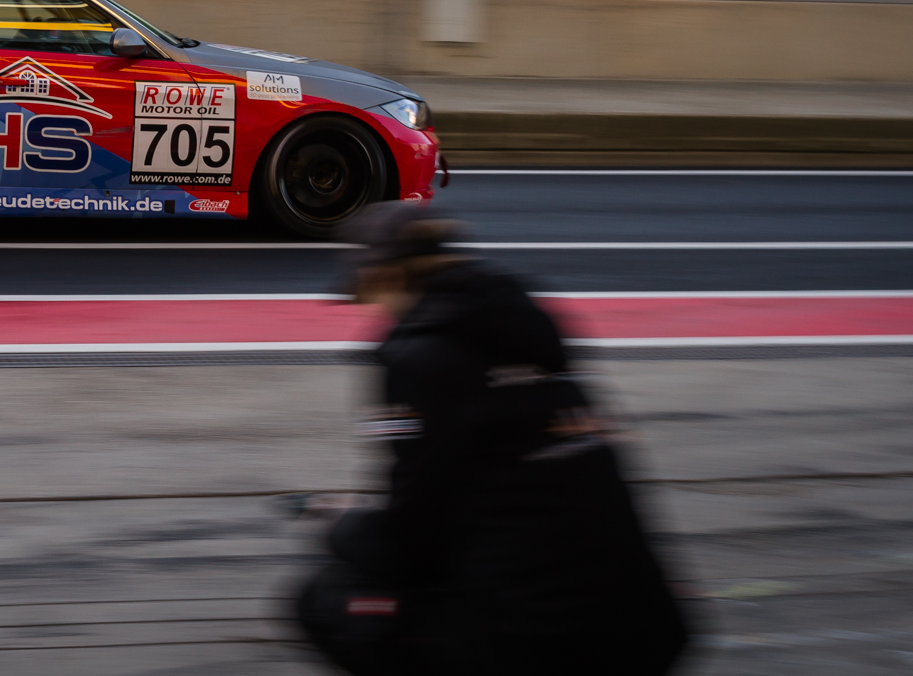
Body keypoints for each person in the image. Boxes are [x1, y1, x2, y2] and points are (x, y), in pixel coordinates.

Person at [294, 201, 691, 676]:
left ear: (392, 279)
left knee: (325, 600)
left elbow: (408, 545)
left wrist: (339, 524)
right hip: (648, 628)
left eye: (373, 298)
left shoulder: (422, 360)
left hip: (540, 642)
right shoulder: (530, 337)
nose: (377, 316)